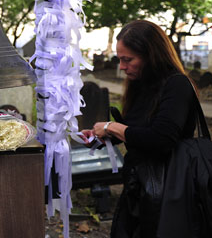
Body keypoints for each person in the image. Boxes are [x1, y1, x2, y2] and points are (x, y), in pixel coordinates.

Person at [81, 20, 198, 237]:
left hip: (168, 190)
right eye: (120, 60)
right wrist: (102, 136)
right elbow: (135, 130)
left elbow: (162, 139)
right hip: (139, 187)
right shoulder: (141, 84)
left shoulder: (177, 85)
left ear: (151, 55)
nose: (122, 67)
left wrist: (112, 127)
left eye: (128, 60)